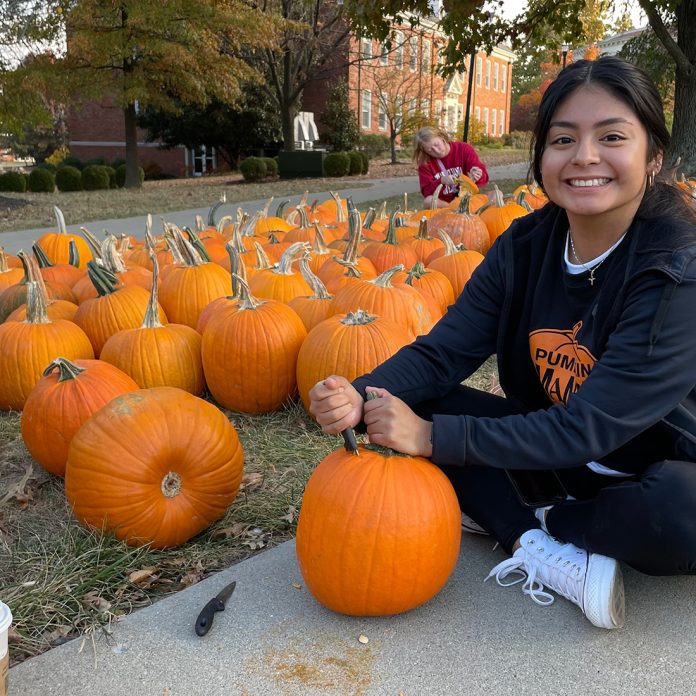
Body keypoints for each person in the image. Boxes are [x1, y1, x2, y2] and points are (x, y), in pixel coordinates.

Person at [309, 56, 696, 630]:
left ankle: (543, 522)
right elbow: (443, 354)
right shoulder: (524, 246)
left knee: (681, 512)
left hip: (659, 465)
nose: (585, 156)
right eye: (564, 139)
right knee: (400, 403)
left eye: (612, 136)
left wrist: (434, 438)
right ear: (543, 157)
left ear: (654, 157)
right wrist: (357, 394)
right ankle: (540, 549)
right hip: (548, 454)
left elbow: (590, 427)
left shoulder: (677, 268)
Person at [414, 126, 490, 208]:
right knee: (428, 201)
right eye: (430, 150)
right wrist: (441, 181)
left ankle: (460, 210)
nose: (436, 151)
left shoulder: (463, 149)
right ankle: (453, 211)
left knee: (495, 195)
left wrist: (478, 174)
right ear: (425, 151)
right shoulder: (425, 163)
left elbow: (484, 180)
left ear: (441, 137)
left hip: (467, 200)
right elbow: (426, 192)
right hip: (445, 206)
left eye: (436, 145)